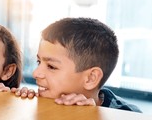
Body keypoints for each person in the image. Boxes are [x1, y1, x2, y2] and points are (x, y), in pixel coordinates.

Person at [9, 17, 141, 112]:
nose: (35, 73)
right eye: (39, 62)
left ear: (90, 78)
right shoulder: (40, 99)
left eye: (51, 66)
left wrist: (90, 118)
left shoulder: (129, 117)